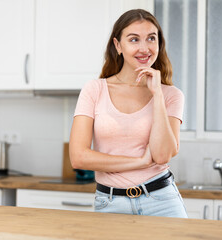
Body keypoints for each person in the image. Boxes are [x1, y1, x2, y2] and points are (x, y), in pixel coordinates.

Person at [69, 9, 187, 218]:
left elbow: (161, 155)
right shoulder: (94, 90)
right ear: (118, 45)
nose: (144, 48)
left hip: (162, 201)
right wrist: (139, 162)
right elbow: (78, 157)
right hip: (110, 204)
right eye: (134, 39)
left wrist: (157, 94)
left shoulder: (171, 95)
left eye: (151, 38)